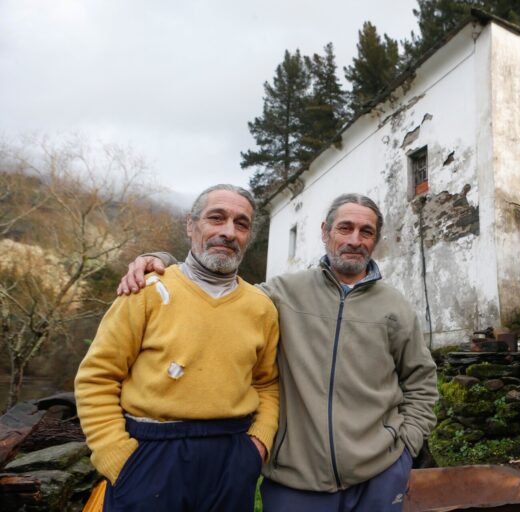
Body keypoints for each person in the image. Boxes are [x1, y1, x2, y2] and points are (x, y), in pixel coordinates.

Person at [117, 193, 438, 512]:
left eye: (366, 232)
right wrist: (163, 262)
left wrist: (406, 446)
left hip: (378, 477)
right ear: (326, 232)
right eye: (345, 228)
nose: (355, 239)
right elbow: (215, 287)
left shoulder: (395, 306)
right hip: (295, 481)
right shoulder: (282, 292)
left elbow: (421, 381)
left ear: (375, 240)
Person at [75, 184, 279, 511]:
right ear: (191, 224)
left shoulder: (261, 307)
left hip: (232, 457)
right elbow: (97, 378)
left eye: (241, 224)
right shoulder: (146, 291)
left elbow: (267, 383)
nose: (229, 231)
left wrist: (257, 446)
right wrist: (117, 457)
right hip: (149, 456)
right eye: (217, 218)